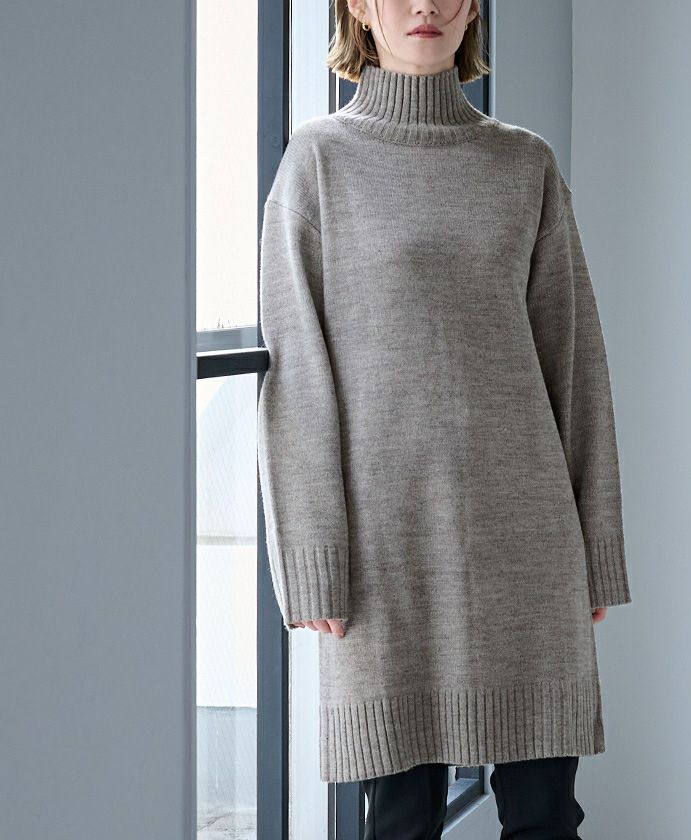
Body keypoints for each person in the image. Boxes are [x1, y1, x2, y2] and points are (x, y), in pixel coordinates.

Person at [257, 1, 632, 837]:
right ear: (360, 8)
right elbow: (296, 379)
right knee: (399, 823)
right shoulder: (318, 162)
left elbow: (575, 366)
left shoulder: (523, 164)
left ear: (472, 12)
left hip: (527, 552)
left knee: (545, 819)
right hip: (386, 557)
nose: (424, 6)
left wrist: (598, 550)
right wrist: (312, 560)